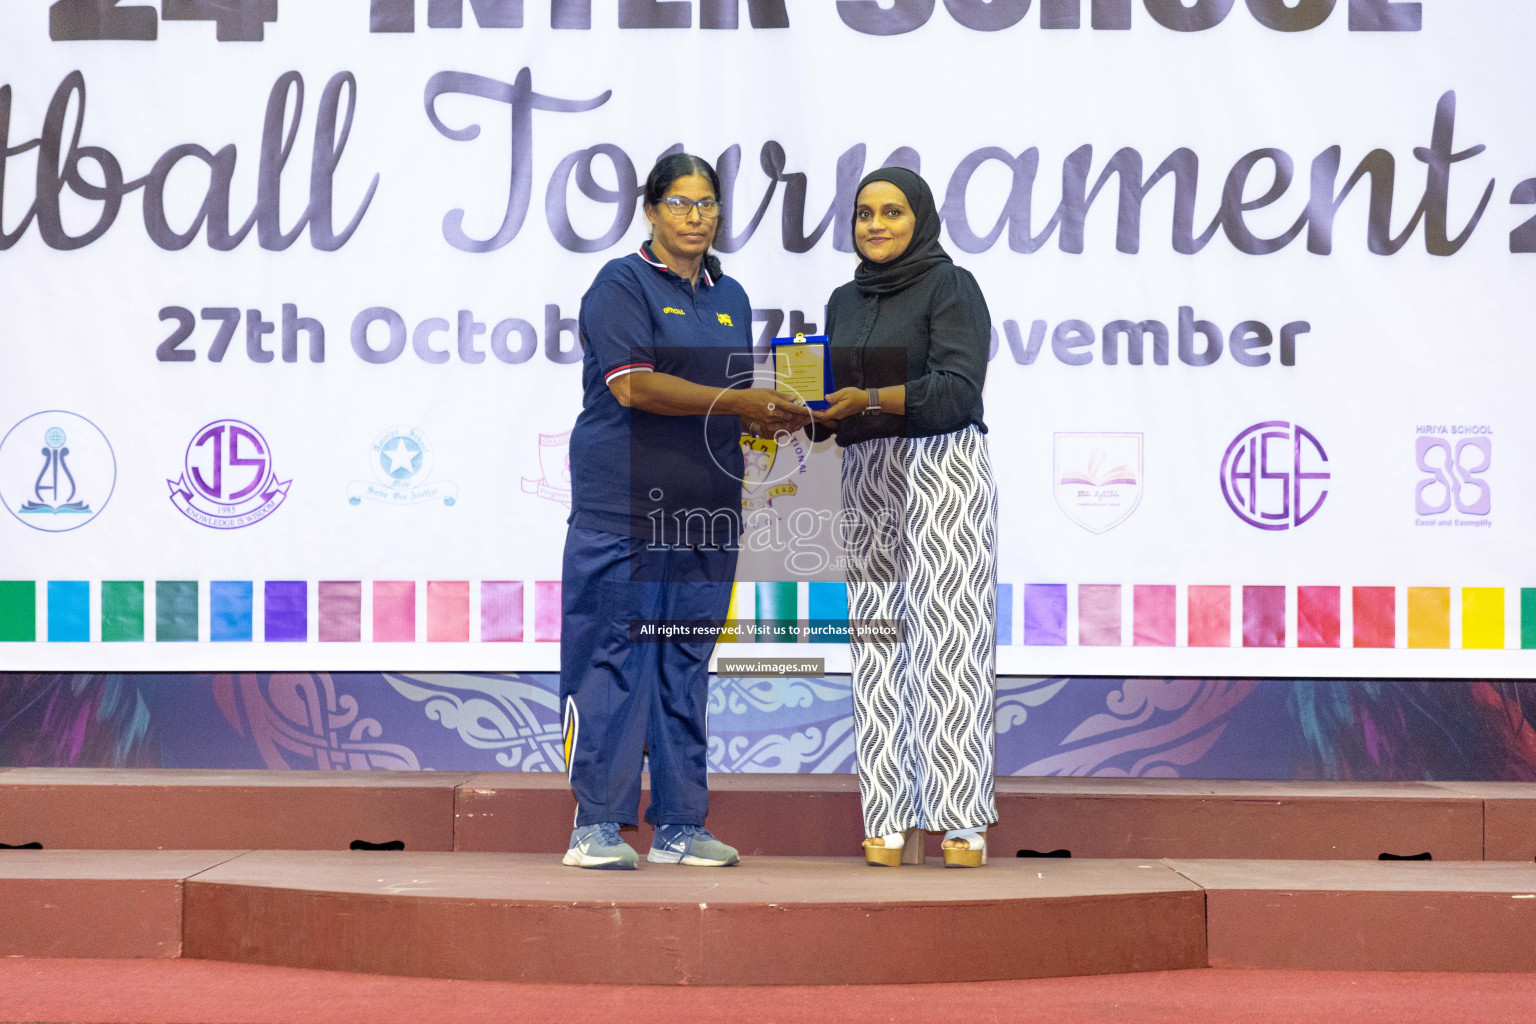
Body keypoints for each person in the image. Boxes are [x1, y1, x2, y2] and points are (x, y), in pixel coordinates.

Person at [560, 153, 809, 869]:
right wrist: (737, 402)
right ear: (650, 210)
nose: (695, 217)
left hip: (706, 512)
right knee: (613, 660)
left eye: (707, 204)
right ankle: (595, 827)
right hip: (625, 509)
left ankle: (678, 825)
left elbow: (717, 398)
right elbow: (635, 387)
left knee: (684, 661)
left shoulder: (728, 296)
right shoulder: (620, 283)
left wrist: (765, 420)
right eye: (679, 203)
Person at [811, 167, 999, 868]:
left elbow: (956, 390)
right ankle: (887, 815)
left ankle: (960, 819)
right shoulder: (842, 298)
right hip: (864, 472)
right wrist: (801, 415)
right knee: (877, 642)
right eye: (864, 214)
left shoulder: (950, 286)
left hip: (940, 468)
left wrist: (868, 398)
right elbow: (833, 395)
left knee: (951, 641)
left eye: (892, 211)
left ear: (919, 217)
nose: (876, 225)